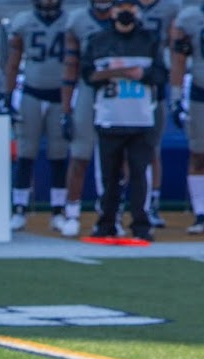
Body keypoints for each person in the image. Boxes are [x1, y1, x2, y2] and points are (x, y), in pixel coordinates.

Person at [83, 0, 165, 240]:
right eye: (121, 7)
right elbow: (88, 75)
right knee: (109, 177)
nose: (126, 12)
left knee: (140, 174)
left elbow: (161, 74)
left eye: (131, 7)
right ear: (112, 11)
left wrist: (143, 74)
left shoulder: (149, 39)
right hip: (109, 116)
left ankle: (141, 225)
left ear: (137, 11)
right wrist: (112, 72)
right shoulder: (98, 40)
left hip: (140, 117)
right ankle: (107, 223)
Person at [5, 0, 71, 232]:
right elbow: (13, 61)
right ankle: (20, 208)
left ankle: (57, 210)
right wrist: (8, 93)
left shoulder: (70, 22)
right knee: (25, 152)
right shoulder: (23, 21)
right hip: (32, 92)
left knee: (58, 154)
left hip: (60, 95)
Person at [59, 0, 115, 237]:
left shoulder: (127, 18)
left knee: (115, 158)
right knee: (80, 154)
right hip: (89, 88)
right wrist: (66, 109)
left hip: (118, 91)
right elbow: (71, 66)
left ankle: (111, 214)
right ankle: (72, 212)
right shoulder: (78, 21)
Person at [137, 0, 181, 228]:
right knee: (120, 148)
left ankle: (152, 202)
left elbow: (176, 50)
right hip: (127, 84)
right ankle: (119, 203)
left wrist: (175, 89)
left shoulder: (170, 8)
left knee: (152, 148)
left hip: (155, 81)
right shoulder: (122, 6)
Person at [170, 0, 204, 231]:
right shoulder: (191, 18)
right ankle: (201, 213)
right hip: (200, 93)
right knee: (198, 154)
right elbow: (179, 59)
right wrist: (175, 95)